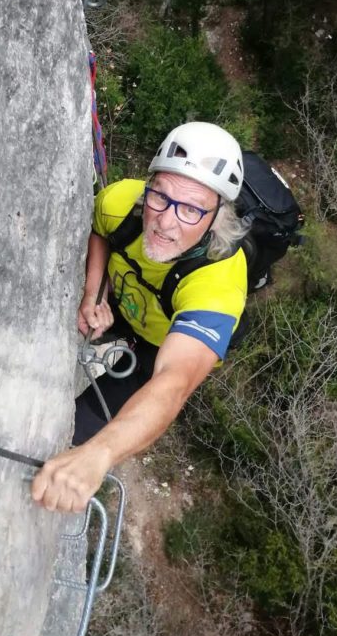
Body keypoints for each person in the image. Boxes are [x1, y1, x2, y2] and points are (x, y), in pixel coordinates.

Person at [32, 122, 249, 514]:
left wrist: (98, 455)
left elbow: (174, 382)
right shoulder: (123, 202)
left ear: (216, 217)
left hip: (158, 344)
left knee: (82, 430)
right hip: (123, 307)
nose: (166, 221)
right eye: (160, 197)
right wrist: (92, 293)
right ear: (147, 187)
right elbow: (100, 230)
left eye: (191, 209)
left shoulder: (219, 283)